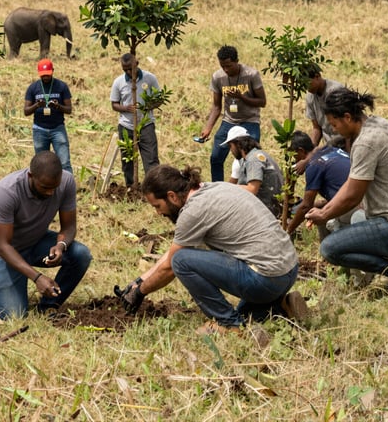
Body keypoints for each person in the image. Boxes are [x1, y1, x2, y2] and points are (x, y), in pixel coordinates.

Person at [116, 165, 306, 334]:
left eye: (157, 206)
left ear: (171, 196)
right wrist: (139, 281)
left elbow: (171, 265)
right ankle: (282, 306)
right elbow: (176, 248)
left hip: (266, 278)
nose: (158, 213)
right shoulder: (213, 188)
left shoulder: (193, 211)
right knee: (246, 317)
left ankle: (228, 324)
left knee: (181, 262)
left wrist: (140, 292)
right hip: (288, 270)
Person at [0, 151, 92, 319]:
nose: (50, 193)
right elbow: (2, 245)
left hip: (35, 240)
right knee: (14, 316)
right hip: (4, 252)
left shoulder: (66, 182)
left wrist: (61, 246)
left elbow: (69, 227)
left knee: (81, 255)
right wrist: (37, 277)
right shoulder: (7, 190)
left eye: (54, 188)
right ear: (30, 176)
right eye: (45, 187)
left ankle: (48, 305)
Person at [306, 87, 388, 286]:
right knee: (355, 219)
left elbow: (352, 197)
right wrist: (327, 208)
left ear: (347, 117)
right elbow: (352, 182)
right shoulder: (380, 124)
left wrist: (324, 215)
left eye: (334, 124)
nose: (333, 129)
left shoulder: (365, 143)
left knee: (329, 248)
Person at [198, 45, 266, 182]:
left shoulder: (251, 75)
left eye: (229, 66)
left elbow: (262, 102)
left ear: (237, 61)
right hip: (229, 121)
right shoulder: (218, 77)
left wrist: (242, 97)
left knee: (250, 157)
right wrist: (208, 128)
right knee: (215, 157)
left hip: (250, 120)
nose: (226, 70)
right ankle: (218, 188)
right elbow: (217, 106)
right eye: (222, 66)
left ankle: (249, 187)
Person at [286, 131, 362, 238]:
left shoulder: (314, 165)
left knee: (317, 214)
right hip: (363, 197)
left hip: (354, 206)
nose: (295, 161)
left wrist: (288, 230)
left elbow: (305, 206)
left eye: (295, 156)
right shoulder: (332, 150)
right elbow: (340, 185)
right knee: (319, 207)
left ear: (301, 151)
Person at [110, 53, 161, 185]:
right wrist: (126, 108)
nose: (128, 72)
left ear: (137, 64)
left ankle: (153, 187)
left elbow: (159, 99)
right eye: (124, 69)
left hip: (146, 125)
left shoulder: (150, 79)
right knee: (128, 160)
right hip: (126, 126)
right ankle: (131, 186)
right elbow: (114, 104)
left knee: (151, 159)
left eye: (130, 68)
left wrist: (148, 106)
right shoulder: (118, 82)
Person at [24, 58, 72, 172]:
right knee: (41, 164)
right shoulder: (33, 88)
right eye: (43, 75)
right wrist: (37, 105)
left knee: (64, 162)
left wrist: (58, 106)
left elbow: (69, 109)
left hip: (58, 129)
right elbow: (26, 111)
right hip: (40, 129)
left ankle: (67, 187)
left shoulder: (62, 86)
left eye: (48, 75)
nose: (45, 77)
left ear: (53, 71)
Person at [224, 125, 283, 217]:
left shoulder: (253, 160)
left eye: (230, 146)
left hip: (267, 210)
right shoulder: (256, 155)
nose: (230, 150)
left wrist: (226, 188)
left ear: (238, 144)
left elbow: (252, 189)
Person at [295, 65, 345, 174]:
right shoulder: (310, 97)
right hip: (329, 147)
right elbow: (317, 128)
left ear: (317, 76)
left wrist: (314, 155)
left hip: (344, 143)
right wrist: (311, 151)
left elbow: (345, 129)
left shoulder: (335, 92)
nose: (307, 88)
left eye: (308, 84)